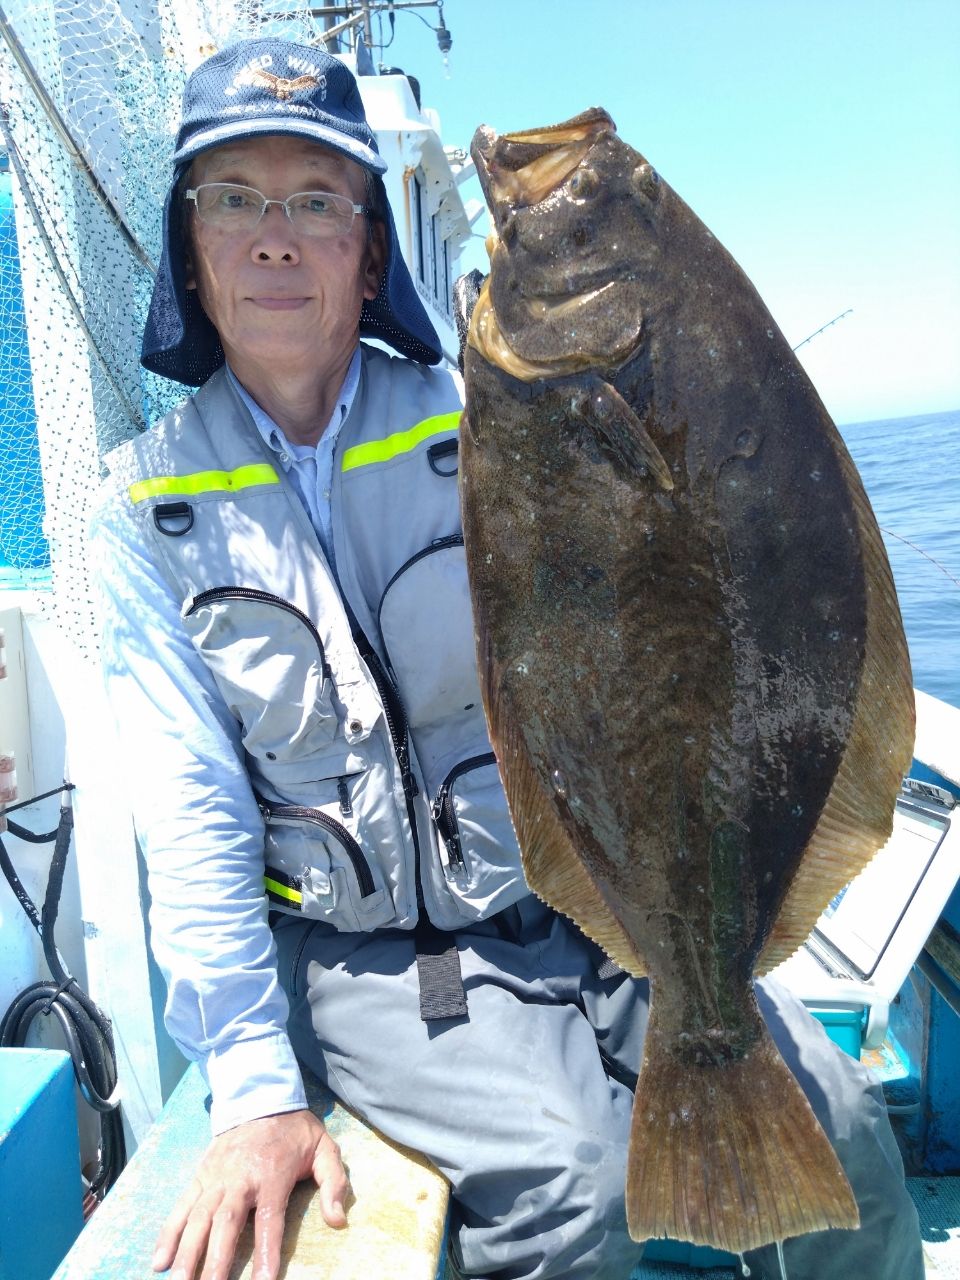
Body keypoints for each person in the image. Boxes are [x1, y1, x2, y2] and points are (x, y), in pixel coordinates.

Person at [91, 36, 924, 1280]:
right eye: (234, 200)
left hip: (601, 890)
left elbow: (697, 583)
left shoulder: (488, 410)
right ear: (190, 253)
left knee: (850, 1140)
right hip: (384, 958)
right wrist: (255, 1086)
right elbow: (193, 807)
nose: (275, 236)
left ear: (368, 252)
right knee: (574, 1194)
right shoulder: (142, 509)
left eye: (316, 202)